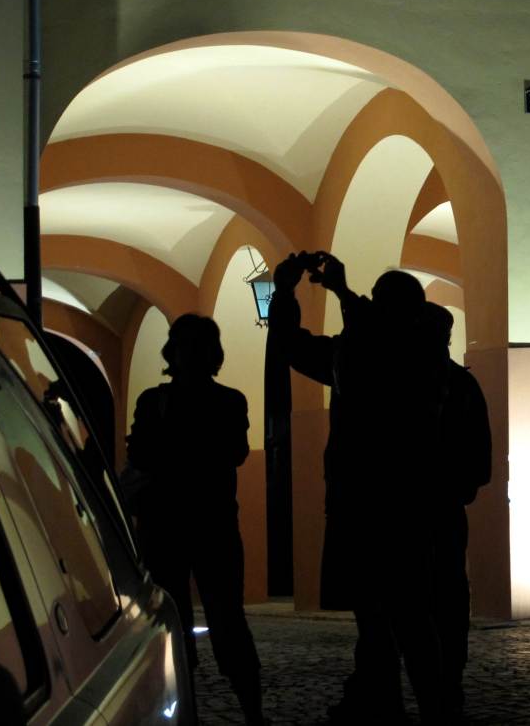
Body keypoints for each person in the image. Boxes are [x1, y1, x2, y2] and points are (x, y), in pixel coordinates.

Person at [267, 252, 447, 724]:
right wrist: (344, 294)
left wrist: (286, 293)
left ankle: (394, 706)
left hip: (362, 501)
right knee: (407, 614)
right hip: (408, 502)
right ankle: (426, 707)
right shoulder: (424, 354)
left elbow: (292, 345)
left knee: (380, 614)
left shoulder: (360, 356)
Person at [126, 314, 265, 725]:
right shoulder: (230, 401)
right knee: (226, 621)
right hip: (212, 523)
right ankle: (252, 713)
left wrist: (167, 449)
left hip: (167, 524)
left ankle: (189, 712)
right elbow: (234, 452)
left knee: (178, 622)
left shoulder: (154, 402)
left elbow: (140, 454)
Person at [421, 302, 492, 717]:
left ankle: (442, 675)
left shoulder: (408, 384)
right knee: (448, 588)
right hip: (446, 504)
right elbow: (481, 454)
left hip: (427, 505)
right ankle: (448, 675)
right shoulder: (463, 385)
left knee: (435, 589)